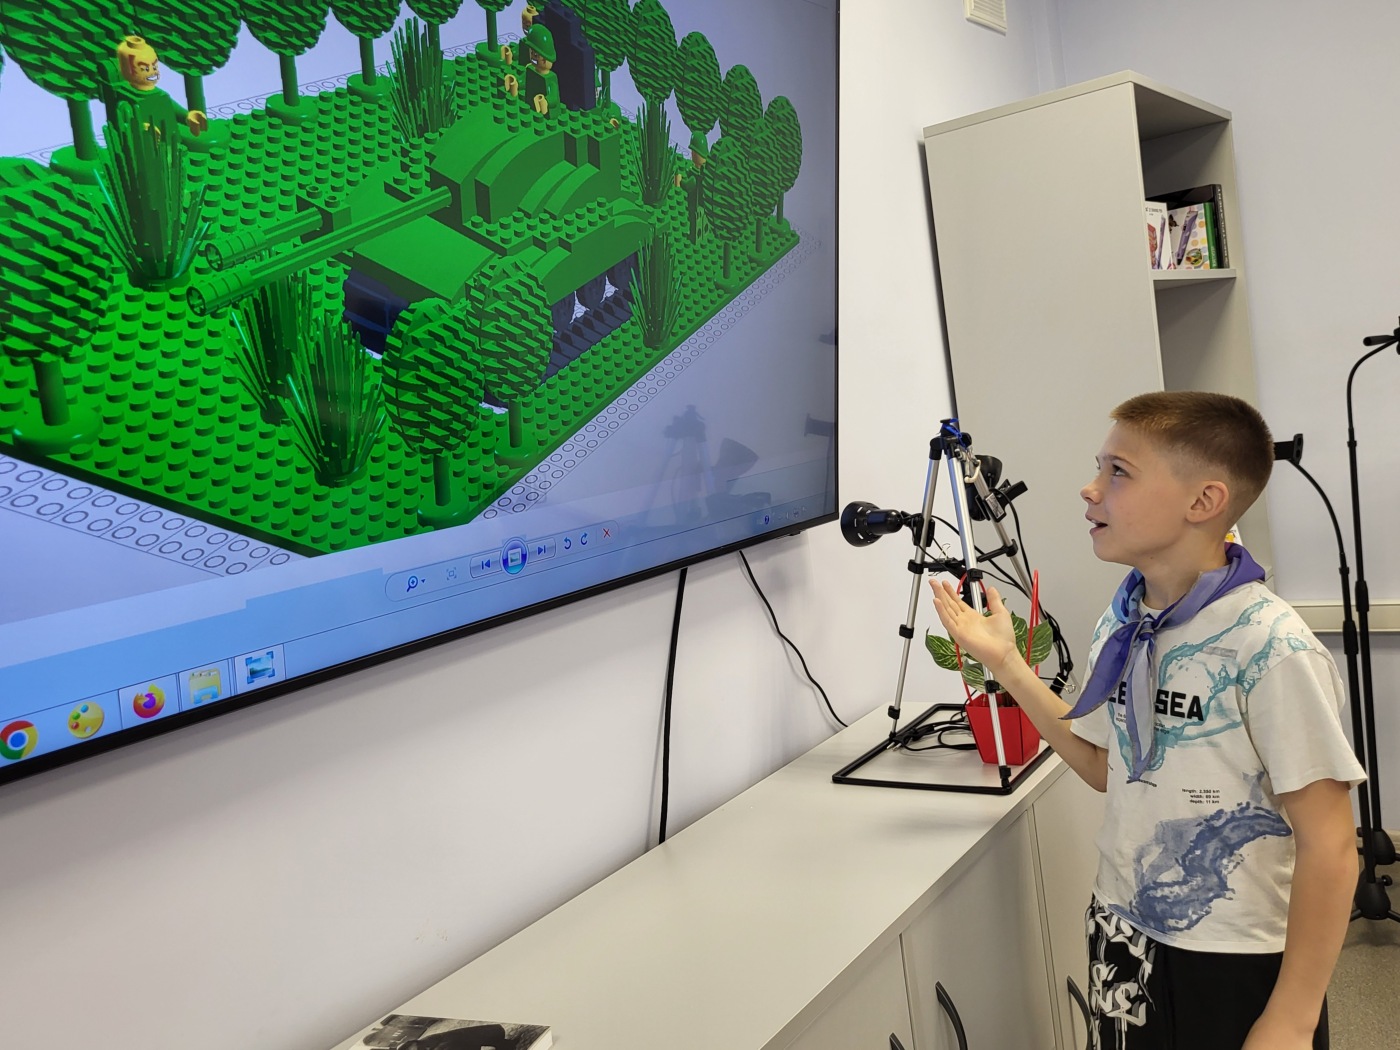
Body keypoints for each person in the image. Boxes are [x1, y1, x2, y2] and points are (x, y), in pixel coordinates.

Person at [929, 391, 1365, 1050]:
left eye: (1119, 472)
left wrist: (1292, 1019)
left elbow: (1330, 846)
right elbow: (1105, 766)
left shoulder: (1270, 647)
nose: (1090, 489)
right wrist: (1009, 665)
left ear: (1203, 501)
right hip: (1123, 930)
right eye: (1098, 467)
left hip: (1231, 957)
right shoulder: (1127, 618)